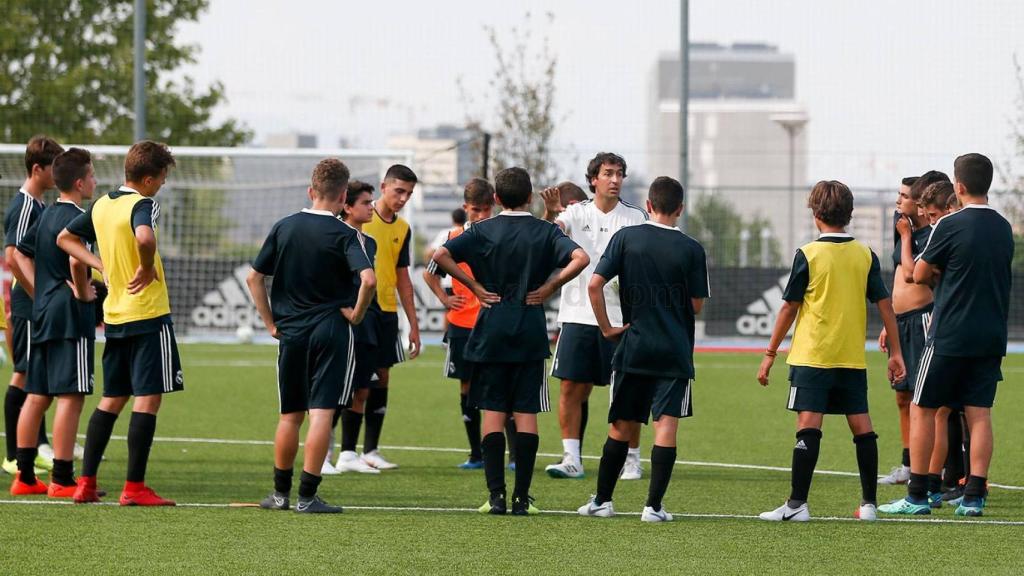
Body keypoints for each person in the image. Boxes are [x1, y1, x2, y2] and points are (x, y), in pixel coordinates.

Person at [431, 167, 589, 516]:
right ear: (530, 197)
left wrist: (473, 287)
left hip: (490, 326)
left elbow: (440, 256)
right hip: (529, 327)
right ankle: (521, 498)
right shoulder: (544, 230)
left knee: (492, 411)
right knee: (525, 413)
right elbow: (582, 258)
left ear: (497, 199)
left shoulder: (482, 229)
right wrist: (549, 287)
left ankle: (496, 496)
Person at [757, 180, 904, 522]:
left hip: (812, 357)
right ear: (849, 214)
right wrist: (896, 353)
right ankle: (869, 505)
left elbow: (788, 308)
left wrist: (769, 353)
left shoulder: (808, 254)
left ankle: (796, 506)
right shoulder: (866, 255)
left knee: (808, 425)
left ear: (816, 213)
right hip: (851, 357)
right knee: (862, 428)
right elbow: (886, 306)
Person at [881, 153, 1013, 517]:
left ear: (959, 186)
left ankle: (918, 494)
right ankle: (973, 496)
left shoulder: (950, 225)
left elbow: (919, 274)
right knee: (979, 414)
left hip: (951, 333)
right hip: (991, 336)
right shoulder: (1004, 227)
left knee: (923, 408)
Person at [576, 176, 708, 522]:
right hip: (675, 350)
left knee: (621, 425)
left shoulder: (626, 238)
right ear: (680, 208)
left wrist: (607, 328)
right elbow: (696, 306)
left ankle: (602, 501)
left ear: (648, 206)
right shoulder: (692, 249)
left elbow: (594, 285)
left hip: (634, 346)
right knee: (666, 425)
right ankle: (653, 507)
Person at [246, 159, 376, 513]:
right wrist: (358, 313)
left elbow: (254, 277)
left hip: (291, 330)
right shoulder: (346, 234)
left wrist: (270, 323)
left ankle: (279, 495)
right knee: (321, 413)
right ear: (344, 195)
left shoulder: (284, 226)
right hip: (331, 330)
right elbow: (368, 279)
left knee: (290, 415)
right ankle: (307, 497)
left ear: (311, 190)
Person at [58, 140, 182, 506]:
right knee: (149, 397)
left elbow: (65, 239)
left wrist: (100, 266)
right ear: (147, 178)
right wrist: (145, 267)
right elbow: (144, 237)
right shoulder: (143, 204)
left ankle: (85, 483)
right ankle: (134, 487)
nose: (161, 184)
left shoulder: (102, 205)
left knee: (112, 399)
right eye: (161, 178)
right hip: (148, 313)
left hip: (115, 314)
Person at [541, 153, 648, 481]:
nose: (615, 180)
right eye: (608, 173)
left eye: (619, 174)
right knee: (572, 387)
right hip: (576, 314)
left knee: (625, 390)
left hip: (621, 317)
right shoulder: (574, 213)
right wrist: (548, 211)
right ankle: (571, 458)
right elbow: (547, 238)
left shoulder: (636, 218)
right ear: (593, 180)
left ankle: (632, 457)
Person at [8, 148, 97, 497]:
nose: (95, 181)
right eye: (91, 176)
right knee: (72, 395)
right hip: (68, 315)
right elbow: (75, 261)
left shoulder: (45, 215)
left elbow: (17, 255)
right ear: (78, 182)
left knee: (37, 394)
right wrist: (81, 291)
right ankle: (62, 478)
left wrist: (39, 290)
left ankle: (25, 476)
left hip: (41, 311)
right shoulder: (78, 218)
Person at [876, 172, 948, 486]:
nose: (898, 201)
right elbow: (896, 279)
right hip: (900, 322)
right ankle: (908, 463)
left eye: (904, 195)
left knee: (929, 400)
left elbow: (913, 277)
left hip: (923, 319)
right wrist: (887, 321)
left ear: (919, 203)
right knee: (903, 396)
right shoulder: (900, 228)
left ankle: (937, 469)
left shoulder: (932, 234)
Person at [423, 178, 495, 469]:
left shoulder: (497, 235)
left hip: (492, 323)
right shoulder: (452, 239)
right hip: (462, 325)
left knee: (500, 386)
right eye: (475, 210)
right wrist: (444, 299)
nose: (480, 215)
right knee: (466, 386)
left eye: (486, 209)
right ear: (465, 208)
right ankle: (475, 453)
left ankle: (513, 455)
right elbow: (430, 274)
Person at [3, 135, 63, 476]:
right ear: (37, 169)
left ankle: (36, 446)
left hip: (34, 301)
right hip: (29, 304)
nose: (57, 175)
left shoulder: (38, 205)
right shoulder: (25, 206)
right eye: (52, 169)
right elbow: (13, 257)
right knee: (23, 374)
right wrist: (40, 295)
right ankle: (13, 455)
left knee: (36, 375)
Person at [358, 164, 421, 470]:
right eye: (399, 191)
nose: (403, 198)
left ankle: (370, 451)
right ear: (383, 187)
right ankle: (338, 452)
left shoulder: (403, 228)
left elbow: (403, 278)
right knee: (357, 383)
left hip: (387, 311)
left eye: (408, 193)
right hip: (360, 310)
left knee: (382, 379)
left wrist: (414, 324)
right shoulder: (360, 219)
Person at [332, 180, 384, 475]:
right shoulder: (337, 237)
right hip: (343, 323)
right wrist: (341, 306)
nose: (371, 207)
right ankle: (324, 456)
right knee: (337, 391)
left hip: (366, 322)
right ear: (347, 206)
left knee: (362, 389)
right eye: (366, 202)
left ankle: (349, 453)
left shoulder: (371, 242)